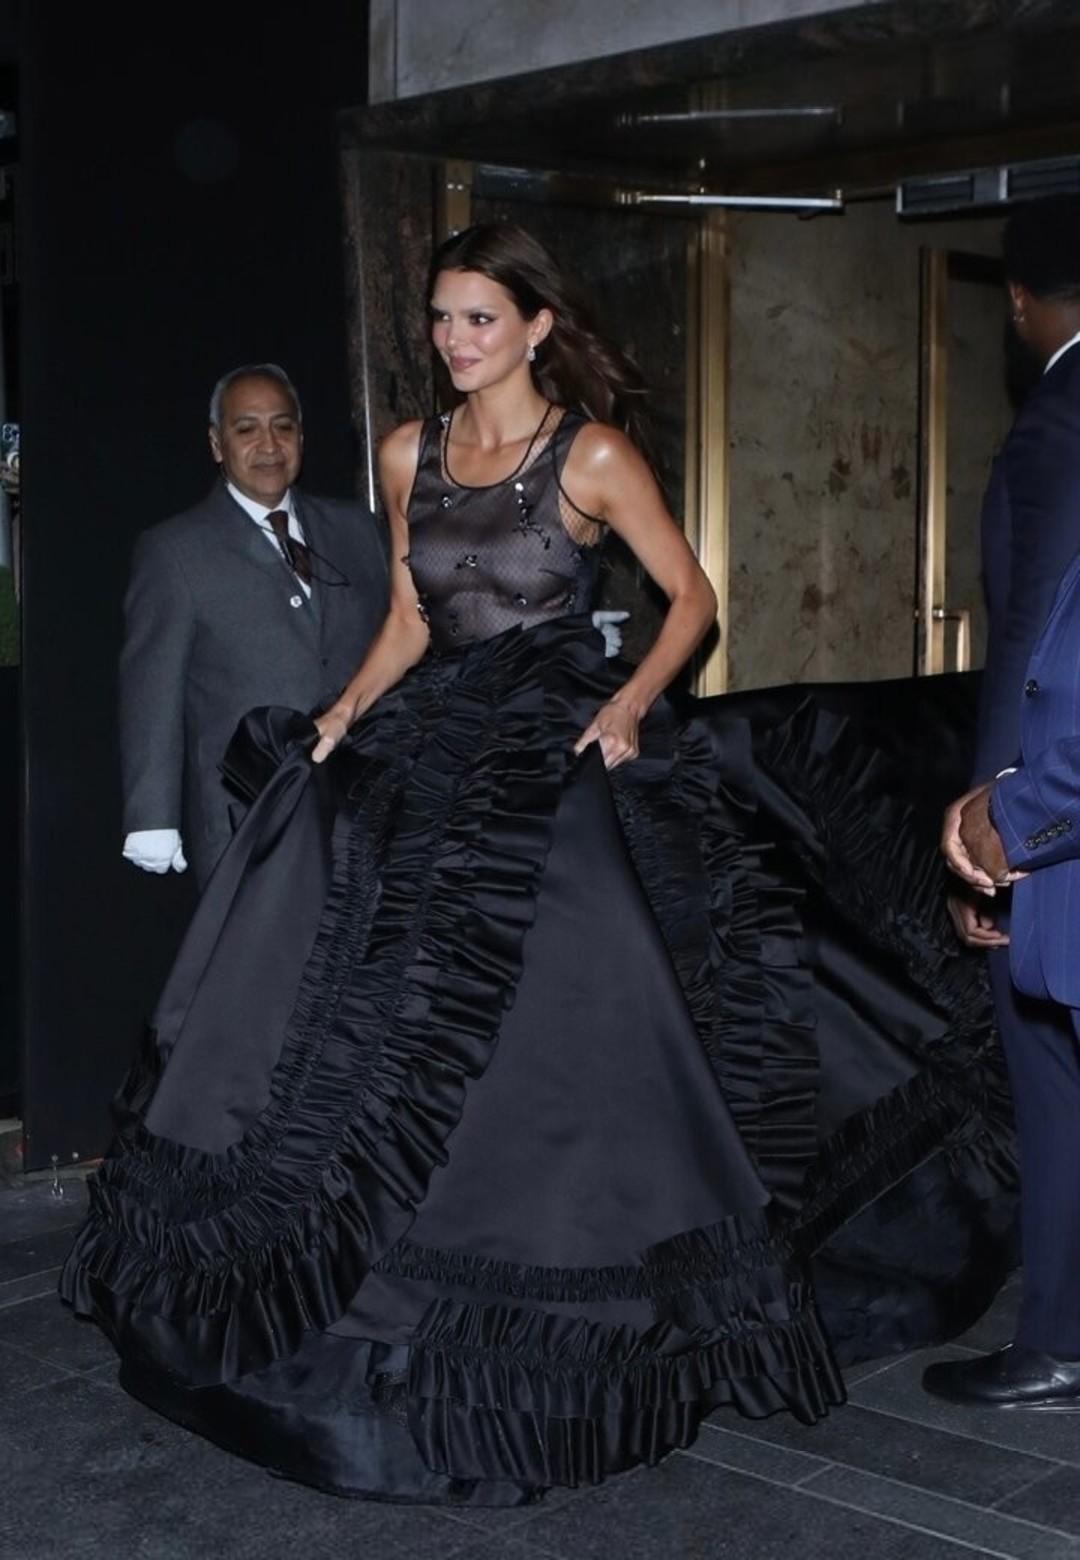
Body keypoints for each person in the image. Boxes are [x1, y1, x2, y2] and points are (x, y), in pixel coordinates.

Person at [62, 226, 1015, 1505]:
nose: (455, 341)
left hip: (555, 738)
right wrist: (340, 716)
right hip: (434, 735)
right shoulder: (407, 451)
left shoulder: (592, 454)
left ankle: (583, 1241)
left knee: (579, 983)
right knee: (362, 989)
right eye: (441, 318)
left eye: (479, 318)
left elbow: (692, 596)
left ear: (535, 326)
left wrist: (629, 702)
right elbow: (410, 617)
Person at [929, 194, 1080, 1409]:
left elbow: (1034, 637)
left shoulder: (1061, 414)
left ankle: (1061, 1336)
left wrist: (995, 832)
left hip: (1054, 819)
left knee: (1051, 1082)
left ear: (1022, 302)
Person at [118, 363, 391, 886]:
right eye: (247, 429)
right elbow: (151, 688)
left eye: (282, 427)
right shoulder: (174, 551)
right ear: (217, 444)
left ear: (302, 438)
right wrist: (152, 817)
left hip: (366, 809)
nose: (269, 445)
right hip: (249, 820)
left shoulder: (356, 528)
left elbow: (395, 646)